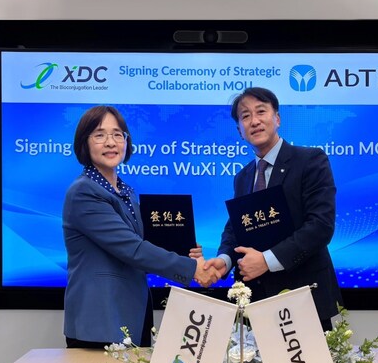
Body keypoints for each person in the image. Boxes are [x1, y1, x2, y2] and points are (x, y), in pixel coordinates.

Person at [63, 105, 219, 349]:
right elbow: (132, 248)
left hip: (131, 314)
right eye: (100, 135)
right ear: (85, 143)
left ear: (126, 141)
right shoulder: (84, 192)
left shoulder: (125, 191)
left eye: (117, 134)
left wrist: (185, 251)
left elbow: (145, 242)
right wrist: (192, 269)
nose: (110, 142)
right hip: (100, 319)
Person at [205, 87, 342, 330]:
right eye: (245, 116)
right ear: (240, 131)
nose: (254, 121)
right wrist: (224, 260)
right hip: (256, 302)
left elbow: (320, 226)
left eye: (261, 112)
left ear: (277, 119)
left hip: (303, 298)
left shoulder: (310, 160)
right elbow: (236, 228)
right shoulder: (243, 177)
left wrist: (266, 261)